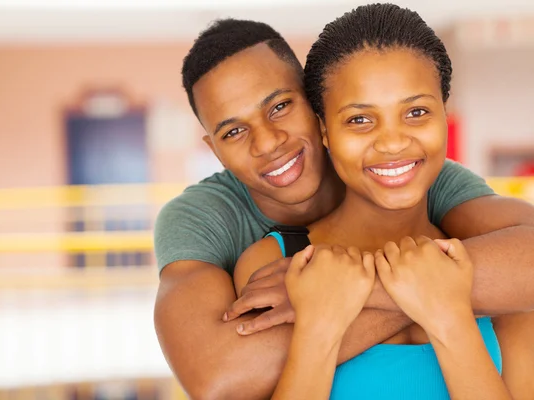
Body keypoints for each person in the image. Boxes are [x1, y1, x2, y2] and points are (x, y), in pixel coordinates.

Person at [154, 17, 534, 400]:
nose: (392, 144)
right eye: (360, 119)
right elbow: (218, 381)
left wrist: (381, 288)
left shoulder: (434, 187)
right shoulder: (239, 243)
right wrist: (331, 314)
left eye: (281, 106)